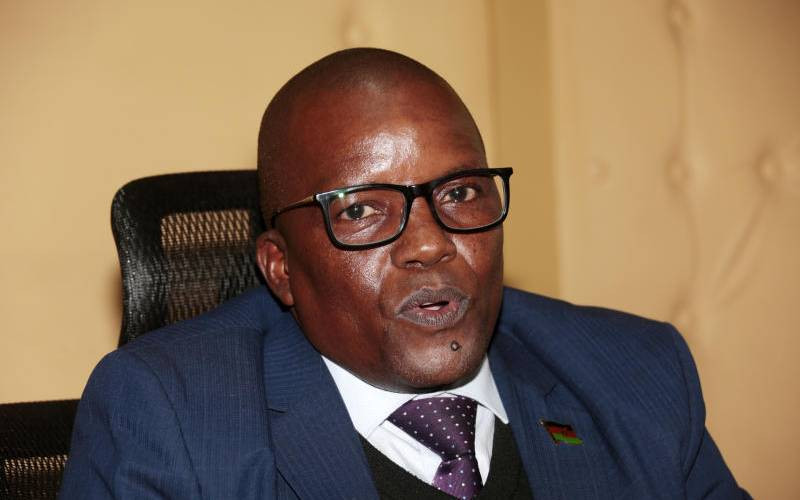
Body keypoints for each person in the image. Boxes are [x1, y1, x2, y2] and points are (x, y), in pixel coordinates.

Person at [60, 48, 749, 499]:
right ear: (281, 268)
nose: (430, 244)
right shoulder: (175, 420)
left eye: (461, 192)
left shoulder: (637, 376)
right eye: (361, 209)